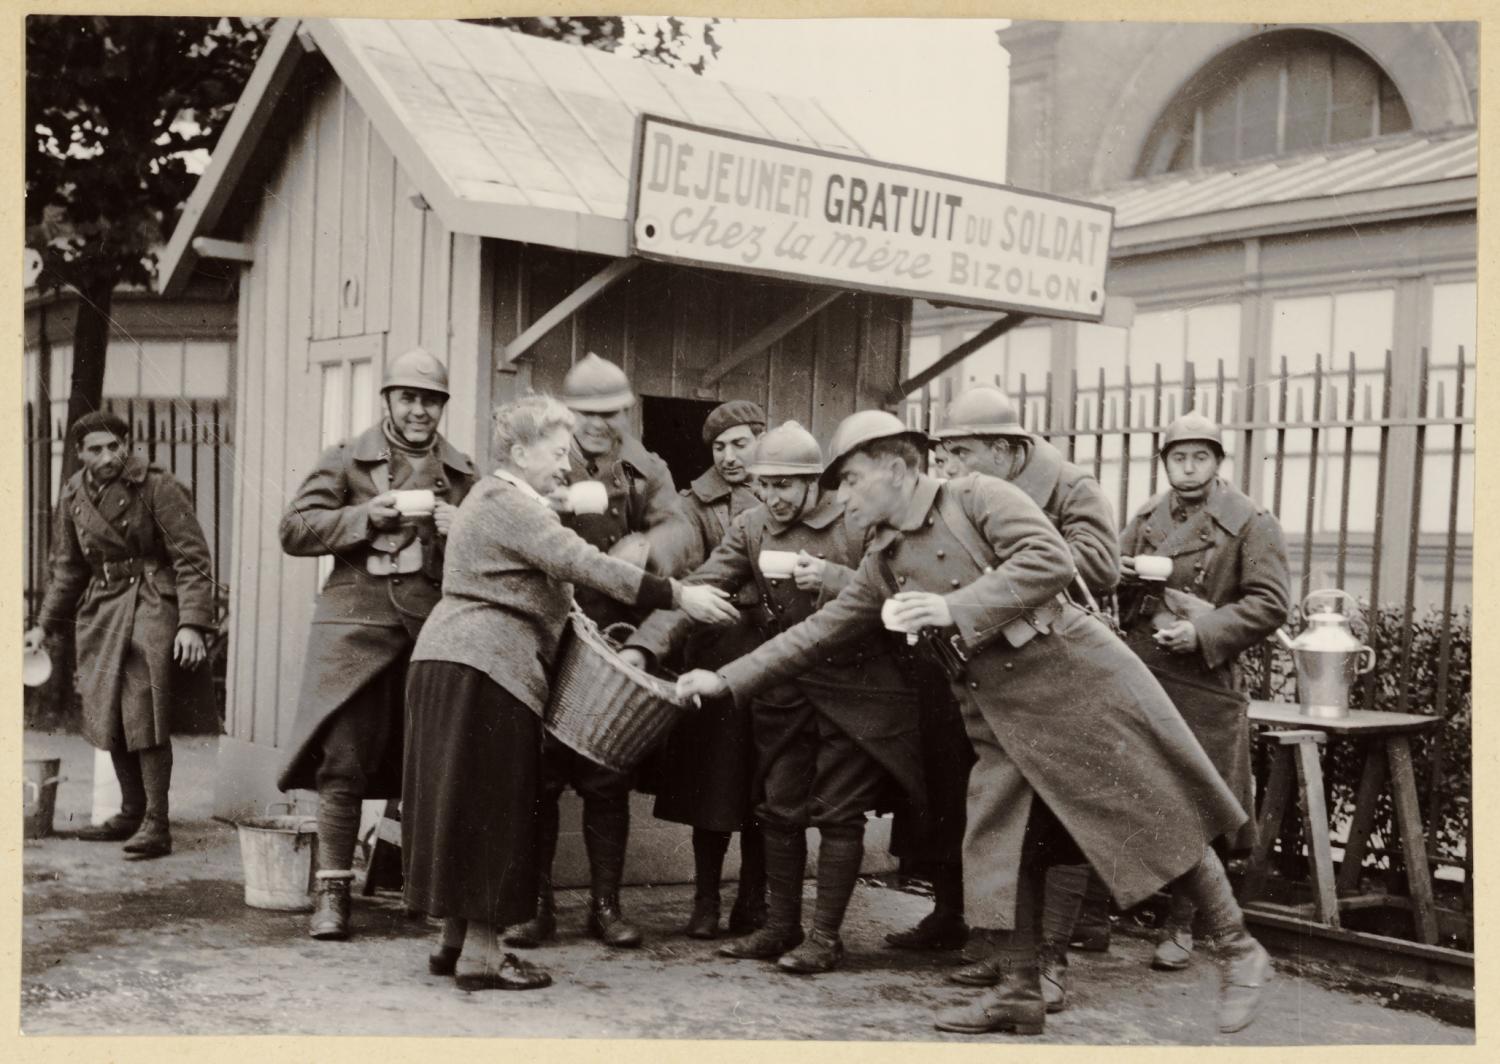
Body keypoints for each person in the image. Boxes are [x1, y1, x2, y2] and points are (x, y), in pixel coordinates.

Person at [678, 410, 1272, 1037]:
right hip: (997, 713)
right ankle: (1018, 990)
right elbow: (818, 632)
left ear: (900, 468)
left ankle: (1238, 951)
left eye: (851, 480)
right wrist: (726, 679)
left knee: (1149, 813)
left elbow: (1052, 561)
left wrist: (952, 606)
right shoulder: (884, 557)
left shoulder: (980, 497)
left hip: (1076, 685)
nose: (842, 496)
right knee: (997, 842)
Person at [401, 394, 736, 990]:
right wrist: (679, 595)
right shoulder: (509, 502)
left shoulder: (497, 498)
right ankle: (483, 955)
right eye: (557, 453)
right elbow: (581, 561)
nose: (567, 465)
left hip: (452, 659)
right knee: (493, 808)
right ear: (519, 452)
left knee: (459, 802)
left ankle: (454, 941)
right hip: (487, 665)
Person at [625, 422, 924, 973]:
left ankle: (824, 938)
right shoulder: (753, 525)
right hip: (784, 690)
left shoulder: (856, 520)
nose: (773, 498)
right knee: (779, 809)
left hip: (855, 690)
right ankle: (780, 926)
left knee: (839, 813)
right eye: (766, 485)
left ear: (816, 484)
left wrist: (833, 578)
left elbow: (896, 596)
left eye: (787, 485)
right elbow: (701, 587)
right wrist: (645, 646)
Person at [928, 384, 1122, 1009]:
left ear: (1009, 450)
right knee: (1003, 817)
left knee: (1059, 820)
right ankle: (1006, 953)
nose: (951, 468)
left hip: (1054, 671)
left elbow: (1097, 565)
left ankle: (1051, 962)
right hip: (992, 671)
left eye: (963, 453)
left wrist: (996, 572)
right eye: (946, 455)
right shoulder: (969, 491)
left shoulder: (1070, 486)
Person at [276, 348, 476, 941]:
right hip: (354, 632)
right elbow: (294, 529)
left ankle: (428, 892)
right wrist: (366, 516)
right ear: (387, 399)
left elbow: (494, 547)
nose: (420, 410)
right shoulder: (346, 458)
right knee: (343, 761)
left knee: (431, 762)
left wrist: (459, 528)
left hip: (432, 632)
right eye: (409, 397)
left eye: (431, 400)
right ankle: (332, 894)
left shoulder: (463, 472)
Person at [507, 353, 698, 951]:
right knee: (535, 779)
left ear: (627, 410)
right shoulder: (545, 455)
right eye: (584, 412)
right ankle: (534, 906)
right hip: (547, 635)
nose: (597, 424)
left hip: (612, 643)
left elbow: (681, 533)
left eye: (609, 412)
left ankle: (605, 906)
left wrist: (648, 542)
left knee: (606, 777)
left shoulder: (647, 469)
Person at [1118, 413, 1291, 973]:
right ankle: (1102, 914)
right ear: (1164, 463)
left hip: (1206, 683)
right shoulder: (1147, 517)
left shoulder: (1250, 522)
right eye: (1177, 458)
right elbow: (1110, 584)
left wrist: (1204, 629)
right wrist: (1124, 578)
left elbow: (1269, 604)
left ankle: (1182, 926)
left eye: (1199, 458)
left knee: (1198, 802)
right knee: (1130, 792)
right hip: (1144, 673)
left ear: (1218, 462)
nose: (1187, 468)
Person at [26, 411, 217, 860]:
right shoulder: (73, 493)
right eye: (96, 449)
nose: (109, 457)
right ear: (80, 454)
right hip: (102, 604)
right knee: (106, 707)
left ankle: (157, 822)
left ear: (126, 445)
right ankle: (131, 812)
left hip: (150, 600)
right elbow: (68, 569)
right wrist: (43, 626)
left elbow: (192, 558)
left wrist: (191, 623)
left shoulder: (157, 486)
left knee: (142, 707)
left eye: (116, 446)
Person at [646, 400, 770, 939]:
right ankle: (705, 901)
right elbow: (690, 574)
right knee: (712, 787)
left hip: (771, 653)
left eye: (740, 443)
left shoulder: (785, 494)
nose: (729, 456)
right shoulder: (691, 504)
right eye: (719, 447)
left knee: (766, 785)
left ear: (762, 441)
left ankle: (754, 900)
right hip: (715, 647)